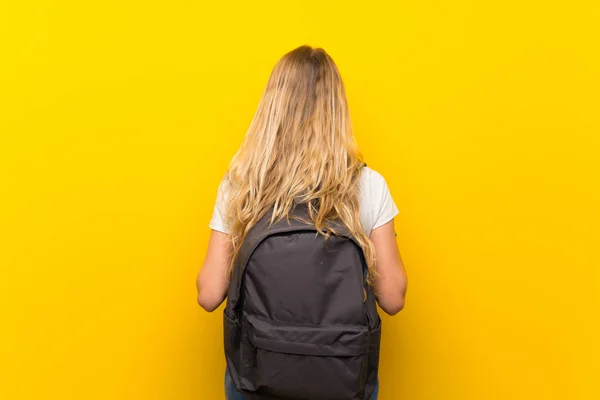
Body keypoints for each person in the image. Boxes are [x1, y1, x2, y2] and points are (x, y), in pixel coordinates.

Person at [196, 45, 408, 400]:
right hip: (342, 378)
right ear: (336, 110)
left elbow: (209, 294)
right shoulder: (367, 185)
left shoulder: (241, 184)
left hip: (258, 376)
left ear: (272, 107)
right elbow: (393, 297)